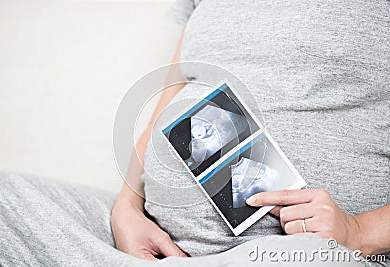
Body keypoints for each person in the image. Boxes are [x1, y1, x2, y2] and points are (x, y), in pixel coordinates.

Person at [111, 0, 390, 262]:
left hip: (300, 254)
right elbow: (174, 95)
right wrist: (127, 207)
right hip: (159, 245)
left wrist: (360, 232)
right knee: (64, 219)